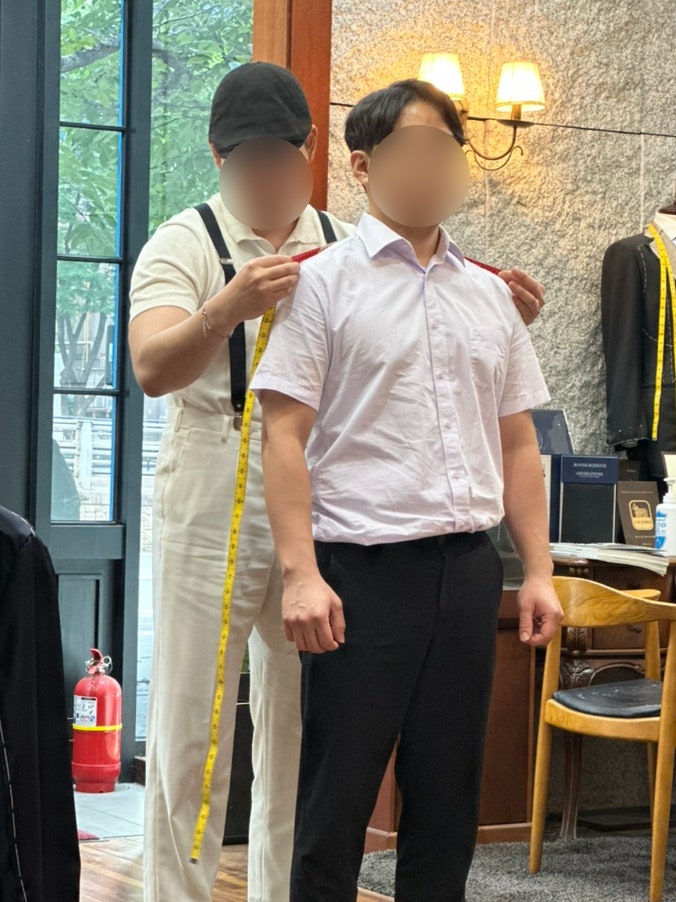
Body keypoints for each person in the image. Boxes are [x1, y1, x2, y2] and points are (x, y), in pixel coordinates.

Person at [129, 62, 547, 902]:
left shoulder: (344, 242)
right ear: (217, 157)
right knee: (194, 725)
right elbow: (150, 368)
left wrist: (495, 316)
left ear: (313, 151)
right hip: (214, 475)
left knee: (301, 731)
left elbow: (434, 371)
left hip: (321, 500)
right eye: (246, 160)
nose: (266, 176)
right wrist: (229, 305)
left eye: (281, 157)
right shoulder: (187, 239)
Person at [251, 78, 563, 902]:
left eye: (447, 149)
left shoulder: (489, 293)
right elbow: (282, 437)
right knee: (337, 800)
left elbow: (518, 442)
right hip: (359, 575)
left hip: (467, 569)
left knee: (448, 800)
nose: (435, 166)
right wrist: (300, 573)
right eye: (415, 148)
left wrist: (537, 570)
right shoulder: (320, 283)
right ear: (362, 165)